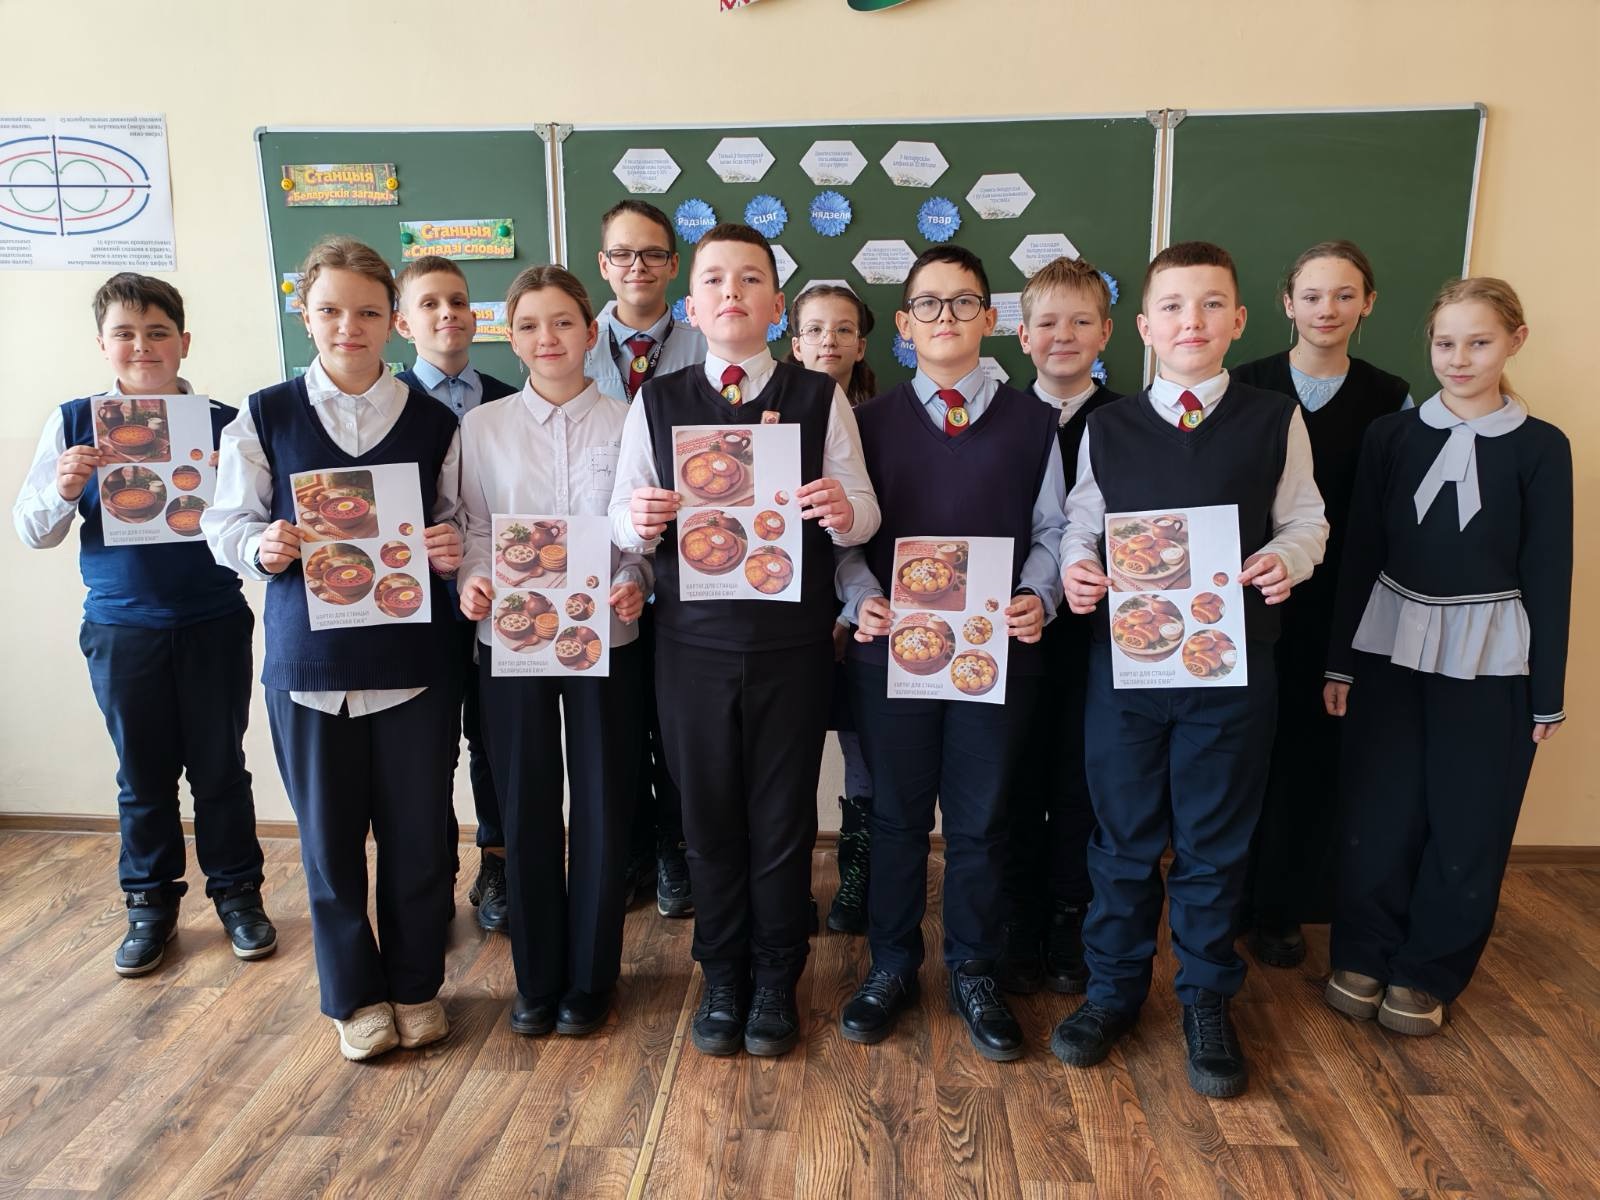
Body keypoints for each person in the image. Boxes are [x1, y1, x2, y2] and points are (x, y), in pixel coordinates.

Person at [1054, 241, 1328, 1098]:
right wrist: (1077, 567)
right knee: (1123, 841)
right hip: (1127, 673)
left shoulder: (1273, 418)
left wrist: (1288, 558)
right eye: (1173, 306)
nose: (1192, 321)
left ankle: (1206, 998)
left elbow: (1307, 519)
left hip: (1231, 670)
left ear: (1239, 320)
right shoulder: (1109, 426)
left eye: (1211, 304)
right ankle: (1113, 992)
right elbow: (1080, 523)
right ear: (1143, 326)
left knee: (1214, 845)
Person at [609, 223, 879, 1058]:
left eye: (751, 279)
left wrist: (841, 510)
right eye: (715, 280)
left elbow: (864, 512)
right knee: (708, 817)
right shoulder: (658, 401)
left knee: (781, 817)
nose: (732, 291)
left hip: (790, 645)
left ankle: (775, 977)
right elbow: (622, 517)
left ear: (775, 305)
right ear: (692, 306)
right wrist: (640, 519)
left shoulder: (817, 396)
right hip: (690, 646)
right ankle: (722, 973)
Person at [204, 236, 463, 1062]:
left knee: (420, 839)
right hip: (309, 664)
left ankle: (417, 984)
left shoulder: (434, 419)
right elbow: (224, 521)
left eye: (367, 311)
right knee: (328, 844)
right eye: (330, 311)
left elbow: (456, 518)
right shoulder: (266, 414)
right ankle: (355, 997)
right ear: (305, 315)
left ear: (393, 320)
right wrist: (261, 546)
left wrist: (450, 544)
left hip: (413, 665)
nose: (348, 326)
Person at [835, 245, 1065, 1062]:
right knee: (896, 819)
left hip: (994, 658)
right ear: (903, 324)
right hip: (891, 658)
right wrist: (861, 597)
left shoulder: (1035, 423)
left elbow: (1054, 530)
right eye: (928, 304)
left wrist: (1040, 594)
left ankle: (974, 968)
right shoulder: (863, 424)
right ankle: (892, 964)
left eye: (963, 302)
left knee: (981, 821)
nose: (946, 317)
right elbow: (842, 538)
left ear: (990, 317)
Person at [1322, 276, 1570, 1037]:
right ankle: (1363, 951)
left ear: (1515, 342)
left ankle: (1427, 970)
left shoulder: (1541, 447)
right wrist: (1340, 661)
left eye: (1479, 342)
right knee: (1380, 809)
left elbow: (1548, 571)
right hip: (1390, 645)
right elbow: (1360, 549)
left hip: (1492, 659)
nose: (1459, 359)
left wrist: (1546, 693)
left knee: (1469, 819)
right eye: (1445, 343)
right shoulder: (1391, 436)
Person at [12, 272, 275, 978]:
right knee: (141, 773)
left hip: (213, 618)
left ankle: (238, 896)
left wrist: (230, 488)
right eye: (125, 334)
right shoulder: (75, 422)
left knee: (221, 767)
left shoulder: (227, 424)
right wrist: (65, 487)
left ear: (184, 341)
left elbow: (260, 531)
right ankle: (149, 904)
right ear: (103, 344)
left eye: (158, 332)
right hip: (122, 625)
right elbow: (33, 530)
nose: (142, 346)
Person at [458, 265, 648, 1037]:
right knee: (526, 802)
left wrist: (635, 580)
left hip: (610, 637)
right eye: (530, 325)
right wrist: (473, 579)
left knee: (604, 803)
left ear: (591, 332)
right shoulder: (482, 427)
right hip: (512, 641)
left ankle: (592, 978)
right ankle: (536, 978)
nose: (548, 338)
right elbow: (473, 528)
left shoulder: (630, 420)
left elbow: (642, 530)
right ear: (511, 336)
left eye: (564, 322)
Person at [1232, 240, 1411, 968]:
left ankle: (1282, 906)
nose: (1326, 309)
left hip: (1339, 606)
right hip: (1246, 598)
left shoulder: (1391, 397)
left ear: (1368, 304)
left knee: (1311, 757)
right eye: (1311, 295)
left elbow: (1392, 515)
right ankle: (1230, 895)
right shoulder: (1245, 385)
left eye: (1344, 295)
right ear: (1287, 303)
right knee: (1241, 754)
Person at [998, 255, 1122, 997]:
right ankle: (1018, 916)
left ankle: (1071, 915)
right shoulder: (1000, 421)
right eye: (1047, 322)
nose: (1064, 335)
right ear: (1023, 336)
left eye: (1081, 321)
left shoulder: (1132, 421)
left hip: (1105, 640)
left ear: (1107, 332)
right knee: (1014, 776)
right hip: (1013, 632)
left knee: (1083, 781)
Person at [585, 199, 708, 919]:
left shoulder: (706, 345)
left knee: (679, 730)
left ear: (673, 264)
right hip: (598, 574)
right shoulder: (570, 342)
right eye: (623, 254)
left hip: (696, 573)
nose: (638, 266)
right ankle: (630, 847)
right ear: (604, 264)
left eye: (653, 253)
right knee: (620, 725)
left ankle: (674, 847)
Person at [394, 255, 519, 932]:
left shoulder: (509, 399)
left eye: (460, 301)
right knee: (425, 749)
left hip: (504, 596)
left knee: (494, 740)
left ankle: (498, 862)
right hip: (412, 608)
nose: (449, 314)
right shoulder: (387, 405)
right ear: (402, 323)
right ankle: (430, 875)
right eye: (430, 303)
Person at [788, 283, 878, 934]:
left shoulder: (883, 418)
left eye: (843, 329)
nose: (829, 341)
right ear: (794, 344)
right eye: (815, 330)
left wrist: (850, 613)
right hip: (795, 616)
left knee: (863, 745)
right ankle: (787, 882)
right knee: (787, 757)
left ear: (862, 345)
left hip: (866, 613)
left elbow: (870, 531)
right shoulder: (770, 419)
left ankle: (858, 869)